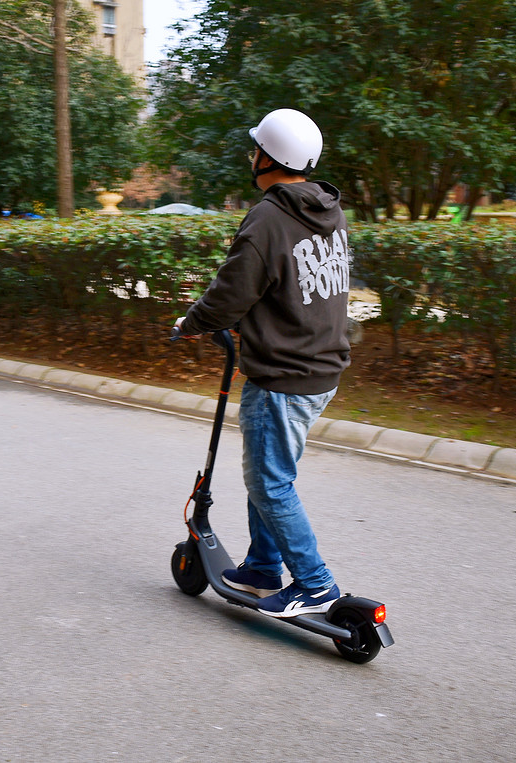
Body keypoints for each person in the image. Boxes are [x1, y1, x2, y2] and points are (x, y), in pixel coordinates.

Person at [174, 108, 352, 618]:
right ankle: (261, 566)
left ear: (270, 157)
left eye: (257, 149)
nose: (252, 156)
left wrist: (192, 324)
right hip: (321, 367)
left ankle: (316, 584)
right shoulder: (327, 210)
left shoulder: (270, 217)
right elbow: (298, 286)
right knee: (270, 473)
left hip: (284, 375)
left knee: (270, 483)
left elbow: (232, 291)